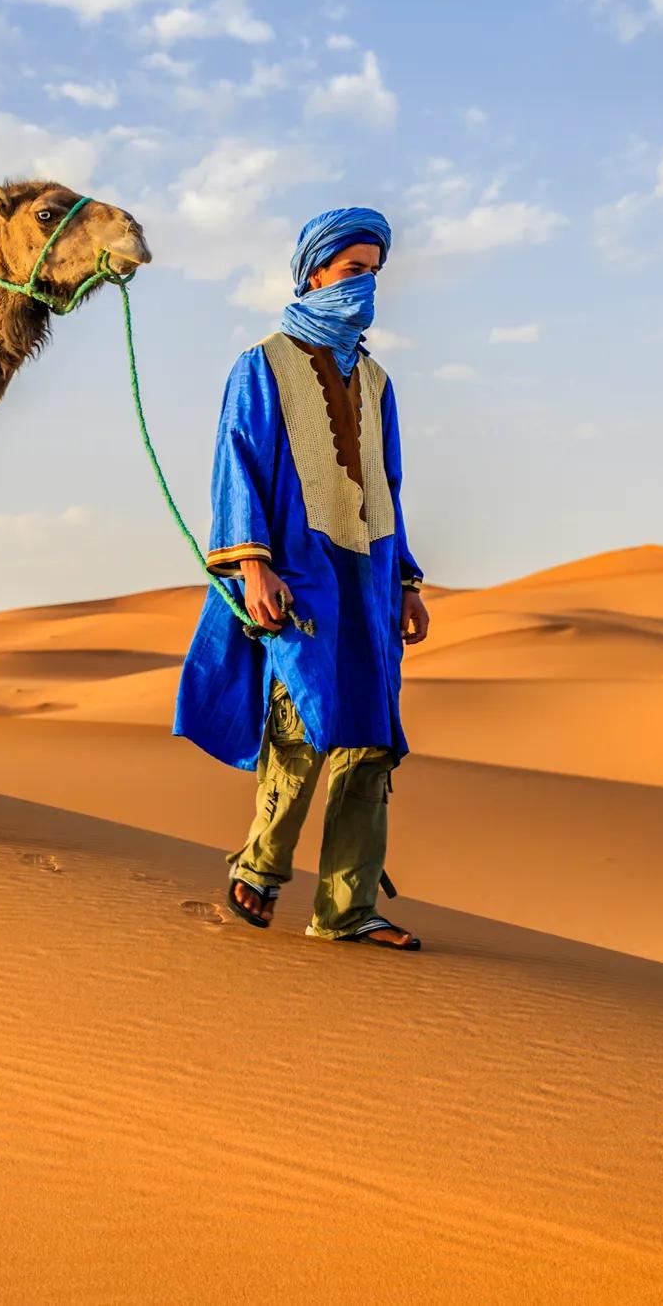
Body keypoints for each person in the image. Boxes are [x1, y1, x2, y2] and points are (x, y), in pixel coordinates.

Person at [174, 206, 428, 950]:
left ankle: (348, 907)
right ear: (315, 273)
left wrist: (406, 581)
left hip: (372, 573)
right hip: (299, 569)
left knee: (371, 738)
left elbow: (390, 483)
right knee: (303, 714)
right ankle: (259, 866)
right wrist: (253, 564)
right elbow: (238, 462)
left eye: (374, 275)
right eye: (353, 273)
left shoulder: (377, 381)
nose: (364, 289)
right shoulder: (264, 364)